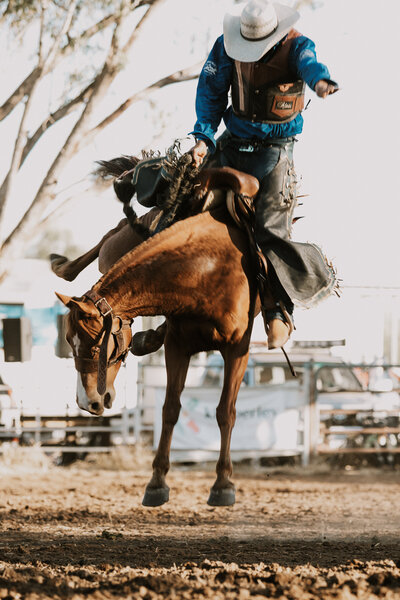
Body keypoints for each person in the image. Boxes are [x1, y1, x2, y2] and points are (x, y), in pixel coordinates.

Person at [188, 0, 338, 349]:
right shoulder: (225, 46)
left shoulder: (298, 46)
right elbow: (211, 92)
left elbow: (310, 65)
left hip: (275, 150)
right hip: (232, 142)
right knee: (182, 198)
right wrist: (203, 137)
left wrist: (319, 82)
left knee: (270, 229)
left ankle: (277, 312)